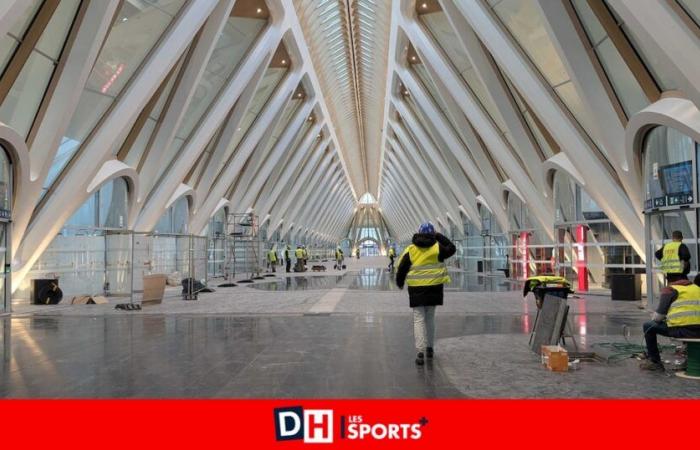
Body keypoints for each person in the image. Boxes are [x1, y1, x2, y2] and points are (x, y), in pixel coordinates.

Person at [396, 222, 456, 365]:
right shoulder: (437, 248)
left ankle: (420, 352)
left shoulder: (411, 249)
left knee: (418, 319)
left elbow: (402, 267)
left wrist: (399, 282)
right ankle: (430, 348)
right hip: (434, 289)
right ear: (432, 233)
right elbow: (452, 248)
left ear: (419, 233)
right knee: (430, 319)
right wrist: (438, 235)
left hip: (417, 290)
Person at [640, 274, 700, 371]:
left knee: (648, 326)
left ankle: (655, 362)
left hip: (682, 330)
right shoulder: (697, 288)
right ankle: (690, 359)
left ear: (670, 281)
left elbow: (658, 317)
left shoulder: (670, 290)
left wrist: (657, 316)